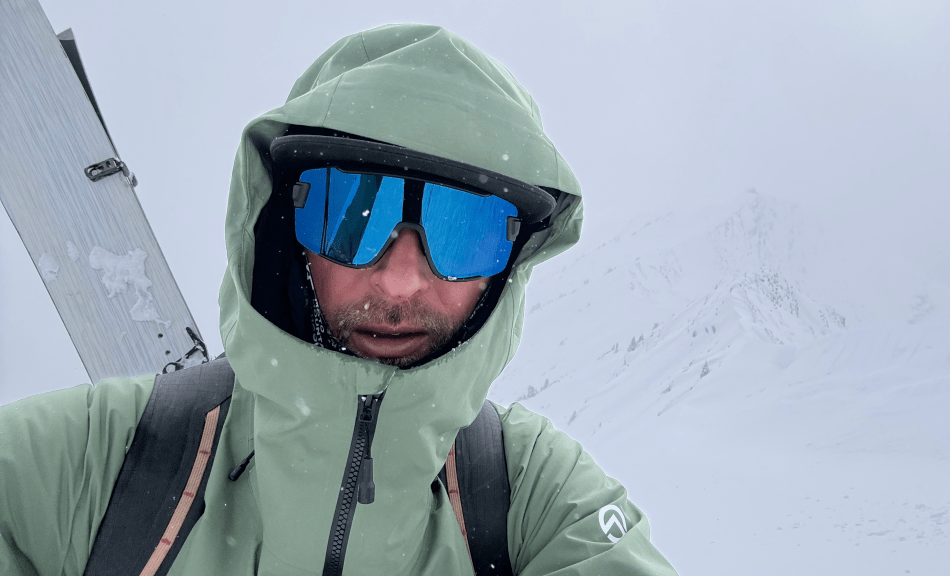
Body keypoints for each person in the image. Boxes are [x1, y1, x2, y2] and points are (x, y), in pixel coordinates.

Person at [0, 24, 677, 575]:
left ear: (506, 268)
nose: (399, 280)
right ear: (287, 232)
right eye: (351, 211)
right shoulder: (96, 465)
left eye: (462, 232)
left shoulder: (531, 498)